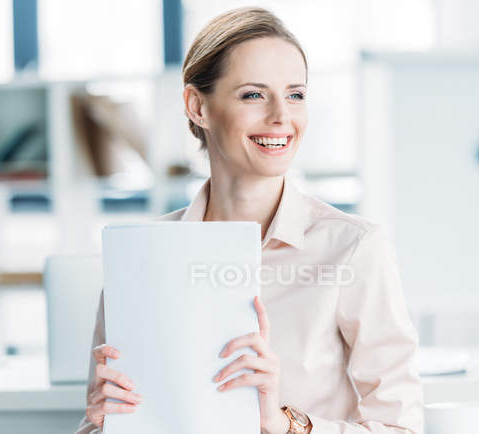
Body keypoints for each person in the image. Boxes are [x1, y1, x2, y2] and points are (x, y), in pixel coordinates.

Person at [76, 7, 423, 434]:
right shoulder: (141, 256)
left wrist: (286, 424)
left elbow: (401, 428)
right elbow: (108, 422)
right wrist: (98, 423)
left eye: (295, 94)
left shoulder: (352, 248)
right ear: (197, 106)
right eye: (253, 95)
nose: (282, 116)